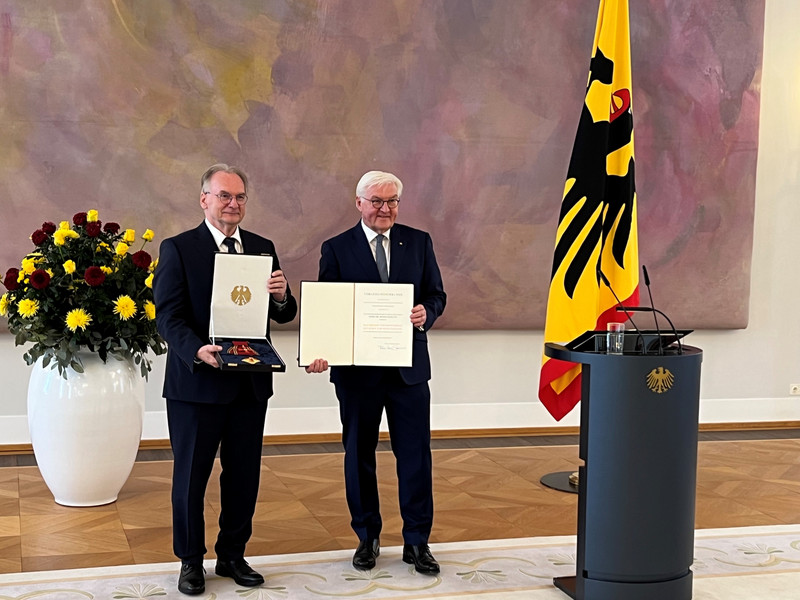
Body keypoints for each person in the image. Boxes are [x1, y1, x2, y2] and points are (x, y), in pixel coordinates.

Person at [153, 164, 297, 595]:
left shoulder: (262, 247)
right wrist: (195, 350)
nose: (232, 204)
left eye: (239, 197)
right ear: (204, 200)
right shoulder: (178, 249)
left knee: (243, 475)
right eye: (223, 196)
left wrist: (282, 295)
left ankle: (232, 555)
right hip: (196, 384)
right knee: (191, 477)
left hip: (249, 383)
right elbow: (167, 317)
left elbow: (284, 314)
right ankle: (191, 561)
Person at [306, 170, 446, 575]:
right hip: (357, 374)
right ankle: (367, 537)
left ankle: (417, 541)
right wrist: (320, 351)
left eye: (392, 202)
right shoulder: (336, 248)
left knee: (416, 458)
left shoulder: (418, 242)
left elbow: (436, 293)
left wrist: (427, 313)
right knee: (358, 457)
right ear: (359, 203)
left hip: (409, 371)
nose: (385, 209)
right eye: (377, 201)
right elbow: (327, 309)